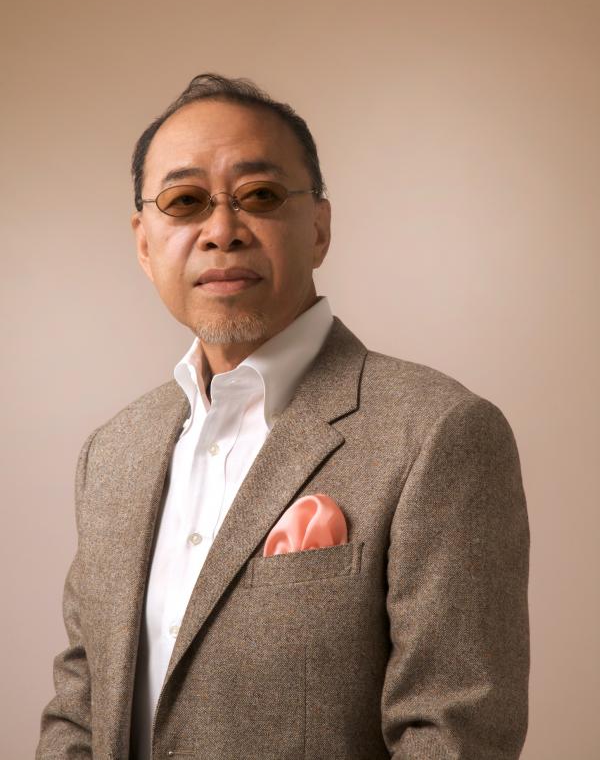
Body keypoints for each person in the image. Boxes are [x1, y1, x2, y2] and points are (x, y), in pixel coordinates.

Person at [36, 73, 530, 760]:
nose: (221, 232)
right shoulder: (112, 453)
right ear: (145, 244)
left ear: (319, 228)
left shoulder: (438, 433)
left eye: (261, 196)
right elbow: (80, 709)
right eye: (184, 202)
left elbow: (454, 737)